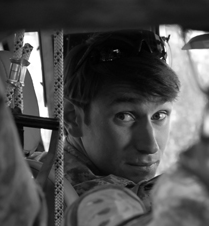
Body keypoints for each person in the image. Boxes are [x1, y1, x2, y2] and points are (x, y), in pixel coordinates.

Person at [40, 30, 181, 209]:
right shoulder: (72, 202)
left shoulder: (44, 167)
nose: (150, 146)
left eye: (159, 116)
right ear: (73, 118)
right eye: (125, 116)